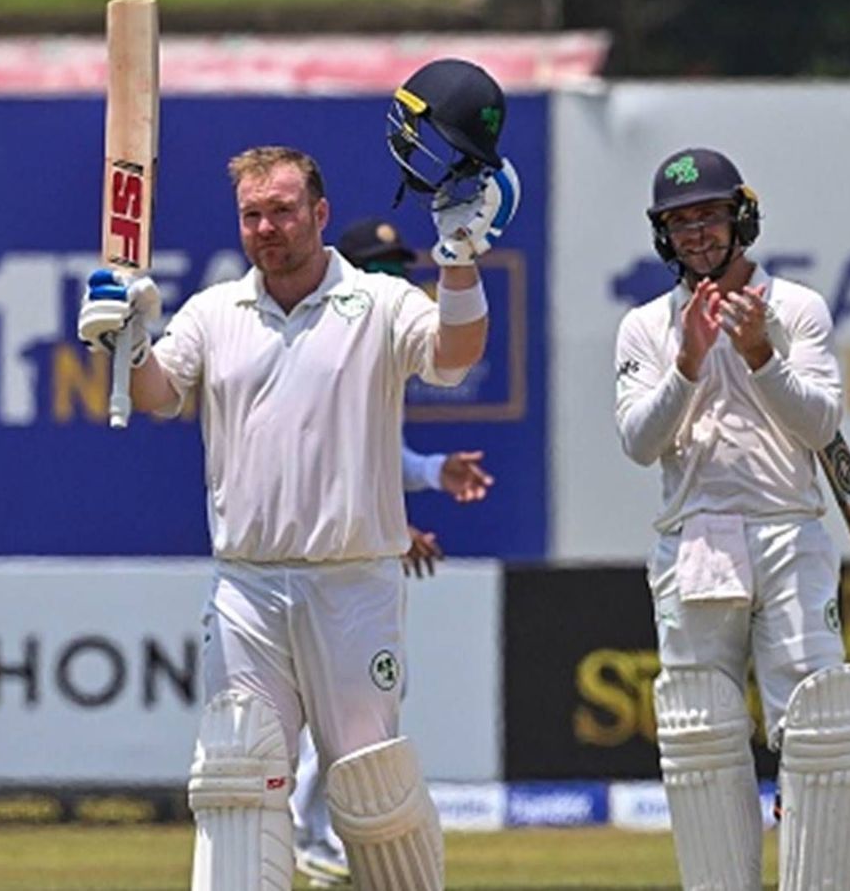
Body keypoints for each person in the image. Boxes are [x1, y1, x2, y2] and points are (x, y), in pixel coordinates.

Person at [75, 59, 519, 891]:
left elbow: (457, 358)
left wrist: (459, 259)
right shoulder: (214, 311)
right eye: (253, 216)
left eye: (283, 211)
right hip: (245, 585)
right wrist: (120, 337)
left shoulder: (378, 306)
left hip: (353, 583)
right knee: (239, 781)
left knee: (370, 784)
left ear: (319, 212)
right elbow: (158, 396)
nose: (268, 228)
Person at [613, 147, 850, 891]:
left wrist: (759, 353)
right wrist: (688, 362)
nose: (696, 234)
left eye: (709, 216)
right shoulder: (646, 327)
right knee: (700, 731)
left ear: (740, 218)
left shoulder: (794, 309)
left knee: (819, 728)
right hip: (695, 538)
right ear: (664, 234)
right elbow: (639, 442)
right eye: (680, 221)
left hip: (789, 529)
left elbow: (820, 425)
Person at [290, 217, 498, 888]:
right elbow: (323, 455)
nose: (396, 284)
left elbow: (378, 453)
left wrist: (435, 472)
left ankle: (314, 830)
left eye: (400, 271)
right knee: (345, 700)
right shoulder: (325, 340)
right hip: (306, 550)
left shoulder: (380, 344)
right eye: (379, 270)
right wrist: (390, 523)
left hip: (348, 551)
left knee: (368, 694)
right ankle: (302, 829)